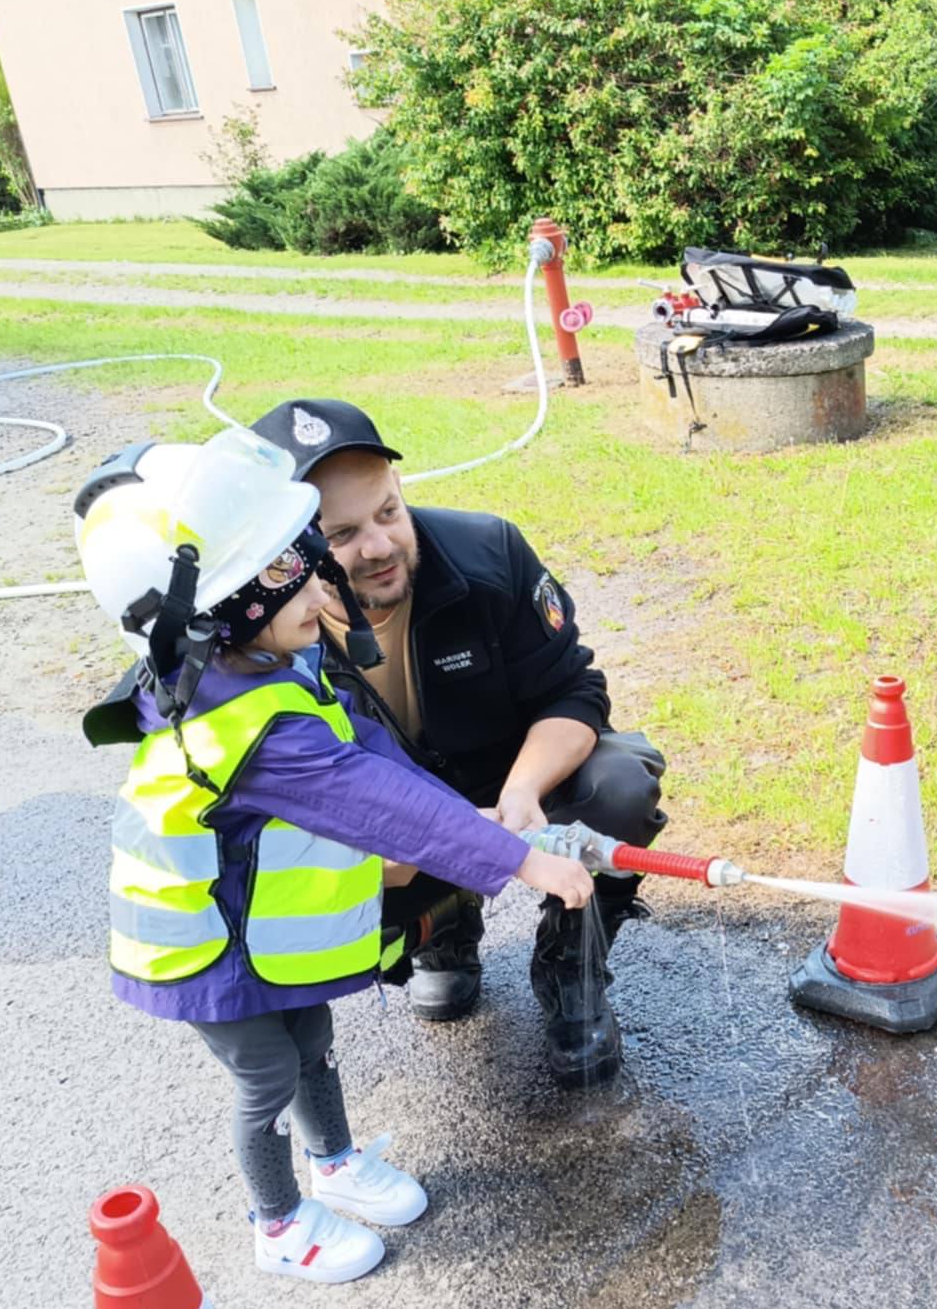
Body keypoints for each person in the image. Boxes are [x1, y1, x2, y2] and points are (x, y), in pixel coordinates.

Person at [76, 428, 594, 1284]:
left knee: (311, 1038)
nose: (323, 587)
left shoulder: (258, 666)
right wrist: (519, 858)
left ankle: (336, 1163)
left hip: (254, 925)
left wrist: (468, 821)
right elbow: (369, 796)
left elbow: (370, 757)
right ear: (221, 609)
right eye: (289, 572)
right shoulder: (254, 730)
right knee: (266, 1076)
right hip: (206, 945)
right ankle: (278, 1223)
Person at [250, 399, 666, 1088]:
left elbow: (574, 692)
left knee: (620, 786)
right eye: (342, 534)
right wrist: (408, 845)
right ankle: (441, 932)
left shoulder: (489, 552)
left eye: (388, 512)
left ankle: (573, 961)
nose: (379, 547)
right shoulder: (258, 633)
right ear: (286, 548)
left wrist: (524, 790)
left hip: (504, 783)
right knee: (308, 884)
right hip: (387, 824)